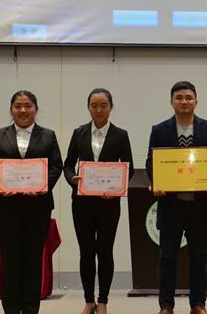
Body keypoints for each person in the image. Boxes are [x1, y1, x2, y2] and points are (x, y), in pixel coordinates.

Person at [145, 81, 207, 314]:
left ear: (196, 102)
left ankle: (198, 304)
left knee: (199, 257)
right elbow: (151, 162)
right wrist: (156, 182)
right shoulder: (159, 130)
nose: (184, 101)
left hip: (202, 205)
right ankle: (166, 305)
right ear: (171, 102)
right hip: (170, 205)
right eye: (179, 97)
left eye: (188, 97)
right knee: (167, 258)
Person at [0, 90, 63, 314]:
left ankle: (30, 309)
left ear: (36, 109)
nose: (23, 110)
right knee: (10, 260)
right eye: (18, 106)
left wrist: (42, 186)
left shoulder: (48, 136)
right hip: (6, 208)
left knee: (32, 260)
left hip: (38, 208)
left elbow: (56, 165)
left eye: (28, 106)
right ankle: (10, 309)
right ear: (11, 109)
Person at [63, 88, 135, 314]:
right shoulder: (79, 133)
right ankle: (88, 300)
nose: (99, 110)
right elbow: (68, 165)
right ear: (88, 107)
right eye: (94, 105)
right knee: (86, 252)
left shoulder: (120, 135)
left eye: (104, 105)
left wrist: (116, 188)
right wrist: (72, 179)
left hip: (109, 204)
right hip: (82, 203)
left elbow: (129, 169)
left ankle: (102, 300)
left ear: (111, 107)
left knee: (105, 252)